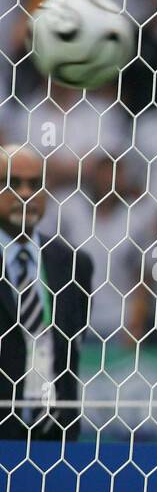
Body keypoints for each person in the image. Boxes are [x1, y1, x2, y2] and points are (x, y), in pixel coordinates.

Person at [0, 145, 93, 442]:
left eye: (35, 184)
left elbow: (74, 343)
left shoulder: (73, 264)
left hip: (56, 438)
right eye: (12, 184)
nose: (25, 194)